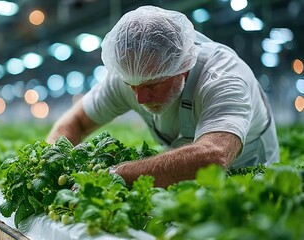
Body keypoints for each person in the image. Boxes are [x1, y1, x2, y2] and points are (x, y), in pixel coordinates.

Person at [46, 5, 279, 188]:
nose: (139, 98)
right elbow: (74, 122)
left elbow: (213, 157)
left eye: (153, 85)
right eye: (131, 85)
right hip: (190, 186)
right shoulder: (132, 74)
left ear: (182, 66)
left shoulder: (224, 78)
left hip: (251, 184)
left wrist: (116, 174)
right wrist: (55, 167)